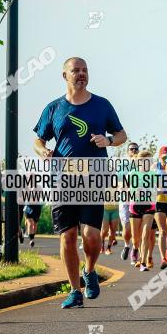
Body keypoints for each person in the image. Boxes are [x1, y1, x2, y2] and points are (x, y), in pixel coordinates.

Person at [33, 57, 127, 308]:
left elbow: (121, 135)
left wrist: (108, 141)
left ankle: (90, 269)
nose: (81, 74)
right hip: (62, 178)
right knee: (68, 236)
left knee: (92, 236)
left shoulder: (102, 105)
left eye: (85, 70)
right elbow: (38, 140)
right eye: (75, 70)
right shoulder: (53, 108)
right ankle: (74, 290)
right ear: (65, 76)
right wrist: (43, 151)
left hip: (93, 177)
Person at [129, 148, 157, 271]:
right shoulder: (132, 175)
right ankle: (135, 248)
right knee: (136, 238)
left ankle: (143, 262)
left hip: (149, 206)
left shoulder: (154, 174)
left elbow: (159, 187)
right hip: (135, 206)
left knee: (146, 234)